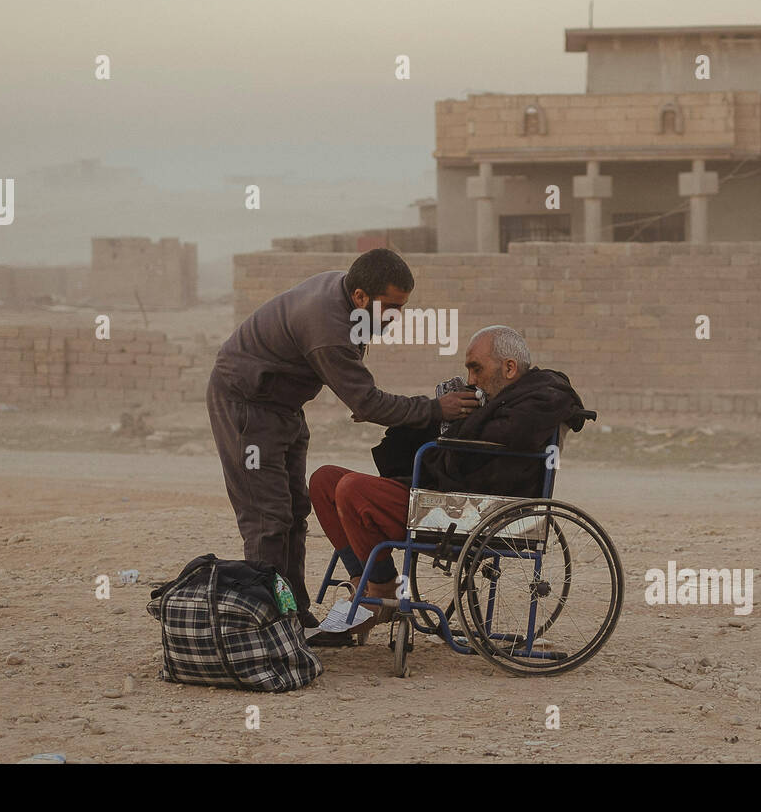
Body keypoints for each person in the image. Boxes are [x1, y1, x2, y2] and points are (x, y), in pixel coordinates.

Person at [206, 248, 478, 630]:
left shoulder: (348, 291)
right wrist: (436, 409)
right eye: (390, 308)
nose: (394, 318)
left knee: (295, 511)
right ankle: (267, 624)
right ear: (361, 297)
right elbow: (367, 402)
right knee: (267, 518)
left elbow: (357, 387)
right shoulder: (326, 327)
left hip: (284, 406)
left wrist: (359, 392)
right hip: (248, 407)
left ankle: (294, 612)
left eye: (401, 308)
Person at [310, 325, 588, 641]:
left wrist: (457, 422)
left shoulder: (543, 397)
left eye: (476, 369)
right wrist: (438, 413)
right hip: (446, 494)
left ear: (509, 368)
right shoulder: (498, 400)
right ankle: (367, 583)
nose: (471, 379)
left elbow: (496, 441)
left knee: (351, 489)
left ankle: (381, 591)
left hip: (470, 511)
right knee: (324, 480)